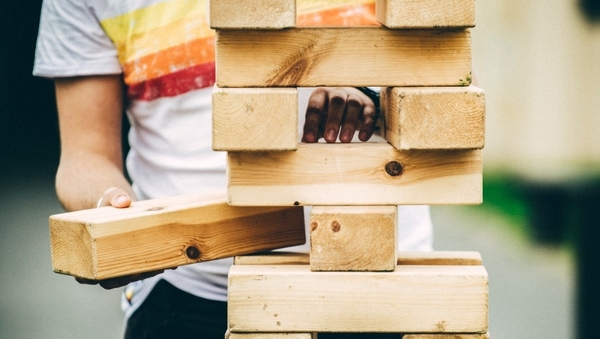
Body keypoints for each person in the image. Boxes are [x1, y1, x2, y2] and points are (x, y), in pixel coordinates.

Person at [34, 0, 433, 338]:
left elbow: (455, 93)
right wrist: (113, 212)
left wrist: (372, 92)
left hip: (384, 281)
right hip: (193, 292)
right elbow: (84, 158)